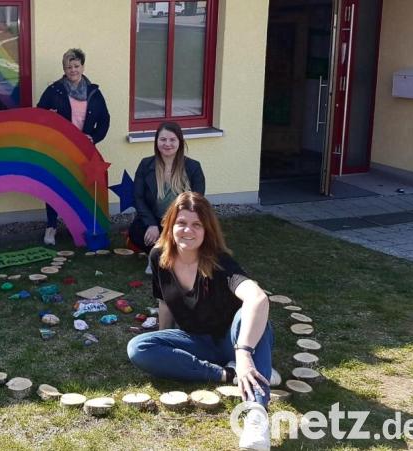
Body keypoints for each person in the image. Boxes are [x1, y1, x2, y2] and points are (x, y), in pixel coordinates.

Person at [126, 192, 273, 451]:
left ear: (207, 230)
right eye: (181, 223)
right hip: (196, 340)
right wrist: (163, 340)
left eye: (197, 224)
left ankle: (256, 415)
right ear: (170, 225)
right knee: (138, 347)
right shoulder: (159, 257)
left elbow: (258, 298)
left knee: (248, 314)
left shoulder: (220, 262)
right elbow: (164, 302)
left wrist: (243, 353)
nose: (188, 230)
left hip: (233, 340)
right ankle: (226, 374)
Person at [36, 48, 110, 245]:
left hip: (83, 151)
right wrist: (49, 118)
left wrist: (94, 138)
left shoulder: (94, 92)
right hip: (59, 150)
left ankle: (79, 225)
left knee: (81, 187)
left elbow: (105, 119)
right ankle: (51, 226)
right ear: (64, 69)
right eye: (69, 67)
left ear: (83, 67)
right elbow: (39, 115)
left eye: (76, 66)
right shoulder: (54, 90)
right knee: (55, 186)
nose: (73, 70)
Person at [129, 121, 205, 274]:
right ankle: (157, 256)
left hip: (181, 220)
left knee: (195, 234)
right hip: (155, 219)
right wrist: (151, 224)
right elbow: (138, 198)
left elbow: (197, 200)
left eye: (172, 140)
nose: (167, 144)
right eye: (163, 139)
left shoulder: (193, 167)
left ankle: (169, 255)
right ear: (156, 141)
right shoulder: (146, 165)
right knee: (136, 231)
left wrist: (178, 225)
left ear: (179, 142)